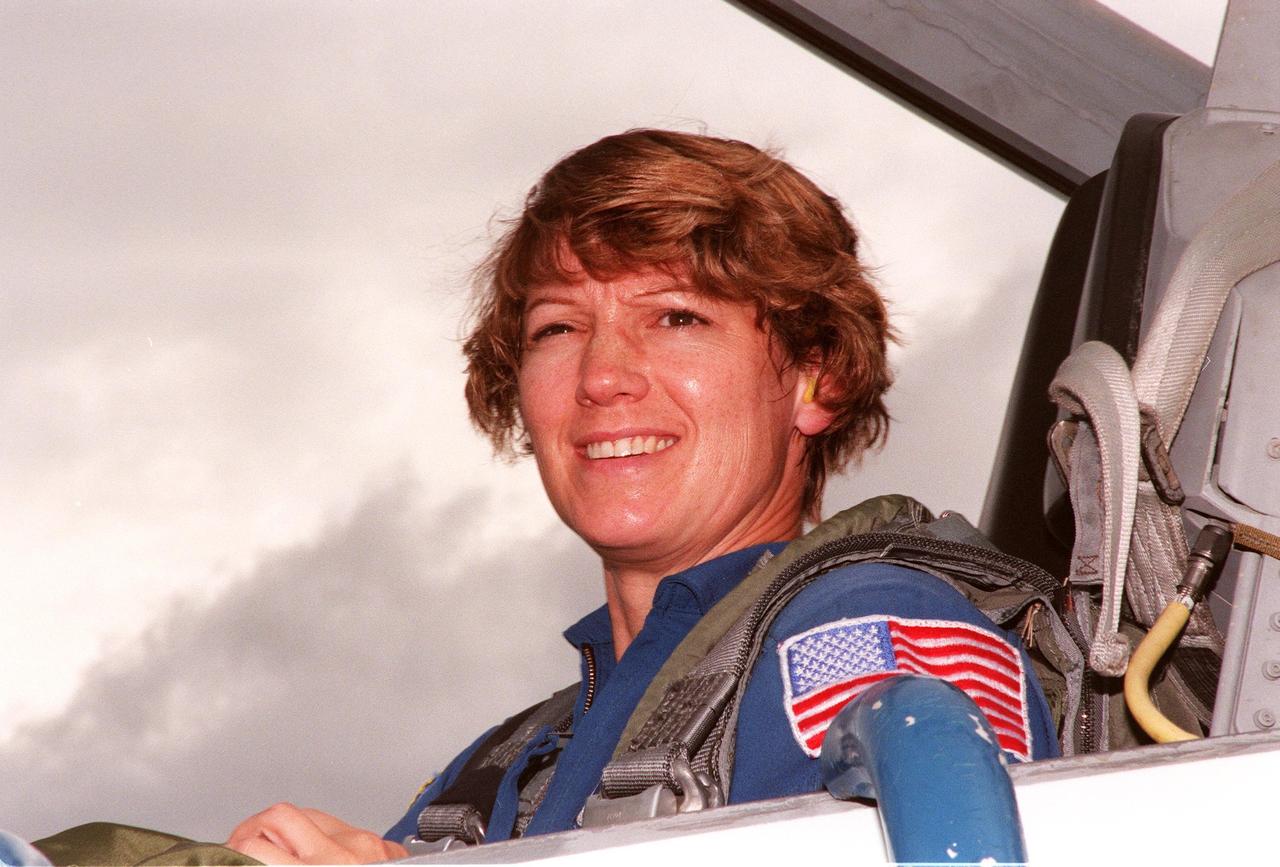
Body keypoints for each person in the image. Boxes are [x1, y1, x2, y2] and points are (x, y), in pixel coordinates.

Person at [224, 129, 1058, 864]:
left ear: (816, 377)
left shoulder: (859, 631)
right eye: (558, 327)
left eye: (676, 318)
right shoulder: (489, 778)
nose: (602, 376)